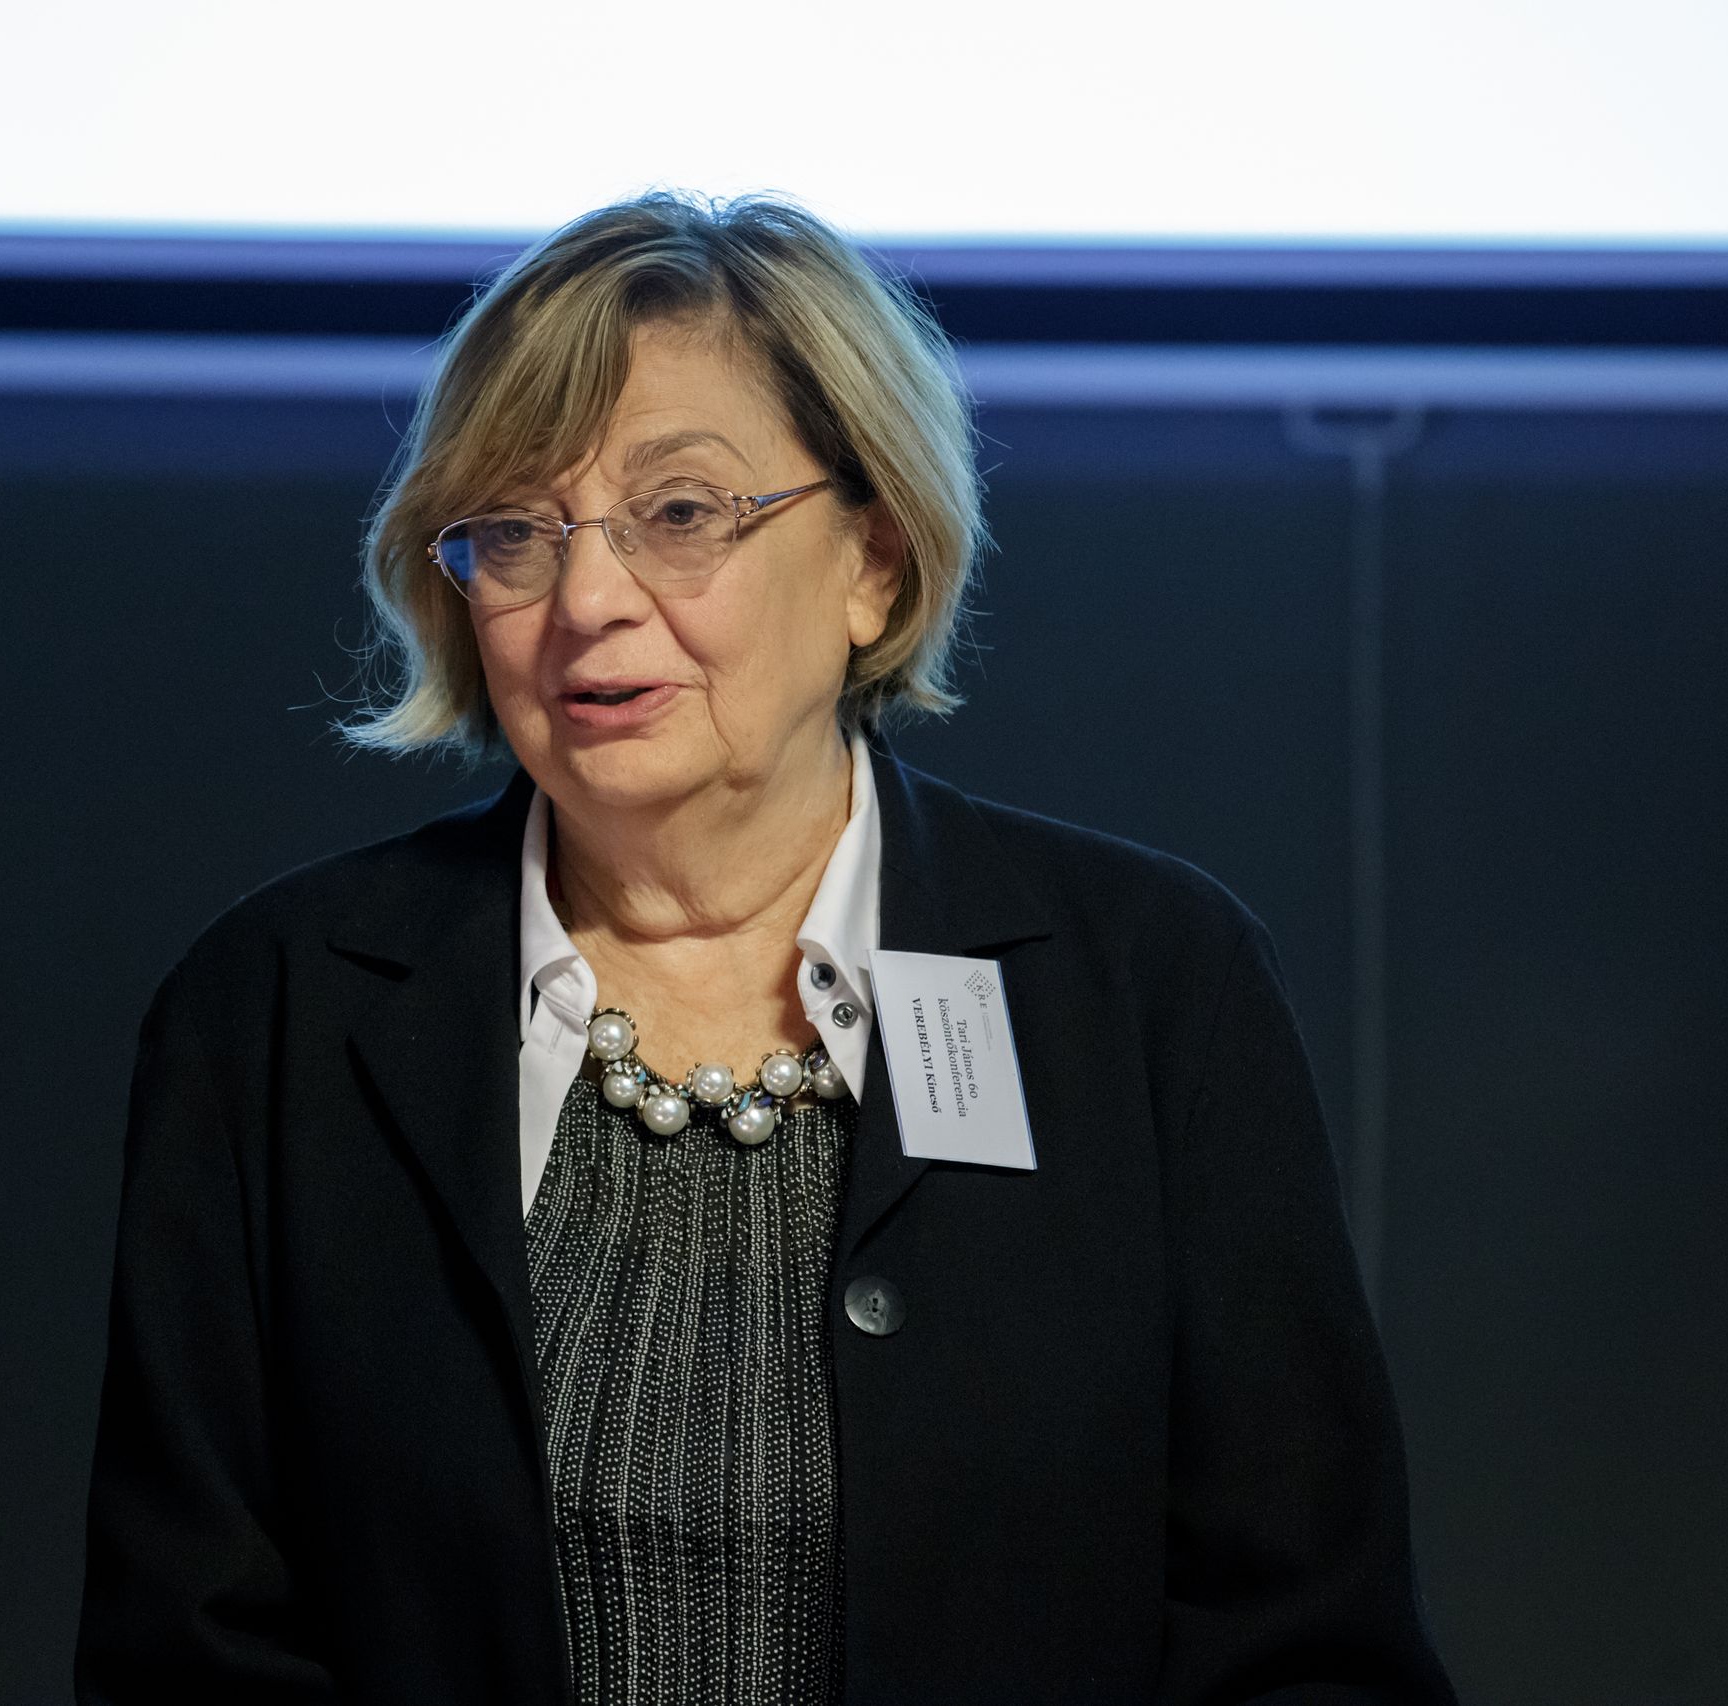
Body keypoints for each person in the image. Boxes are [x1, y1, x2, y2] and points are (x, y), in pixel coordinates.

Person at [75, 191, 1453, 1706]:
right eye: (517, 534)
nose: (588, 600)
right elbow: (186, 1653)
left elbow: (1307, 1650)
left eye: (679, 514)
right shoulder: (275, 1013)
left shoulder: (1148, 988)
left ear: (874, 558)